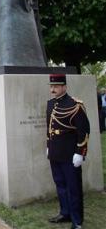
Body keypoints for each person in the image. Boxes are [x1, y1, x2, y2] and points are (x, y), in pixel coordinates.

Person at [46, 74, 90, 229]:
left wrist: (80, 152)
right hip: (55, 152)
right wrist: (48, 145)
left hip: (70, 154)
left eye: (56, 86)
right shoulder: (50, 104)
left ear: (64, 86)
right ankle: (65, 213)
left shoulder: (75, 105)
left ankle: (77, 221)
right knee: (60, 184)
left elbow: (83, 131)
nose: (53, 90)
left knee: (73, 187)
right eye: (51, 86)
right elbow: (49, 128)